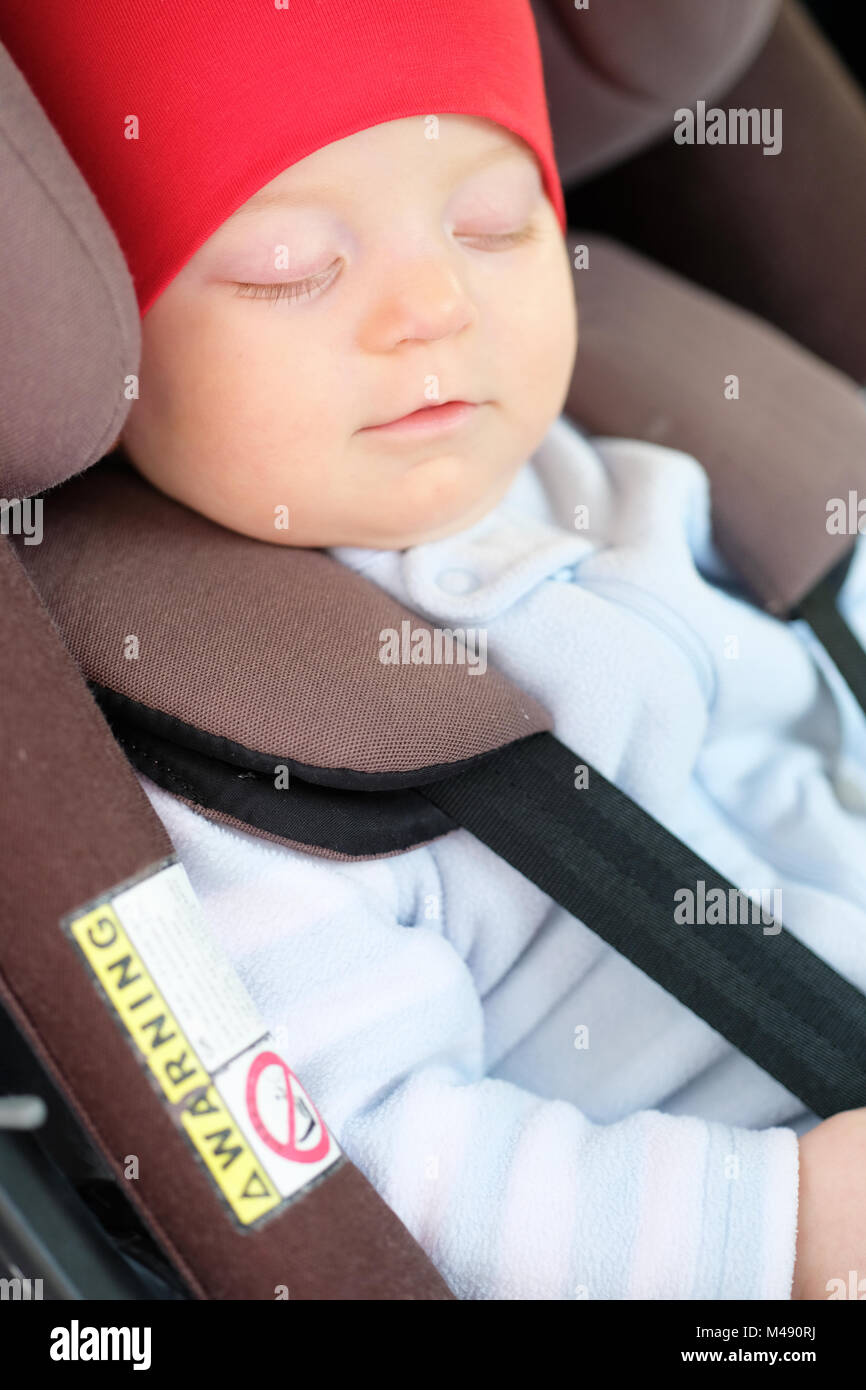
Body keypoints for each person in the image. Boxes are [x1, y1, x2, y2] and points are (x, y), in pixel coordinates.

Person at [6, 0, 866, 1299]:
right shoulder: (223, 758)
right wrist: (774, 1224)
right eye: (289, 265)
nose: (434, 306)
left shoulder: (620, 465)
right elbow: (379, 1155)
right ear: (114, 334)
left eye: (491, 226)